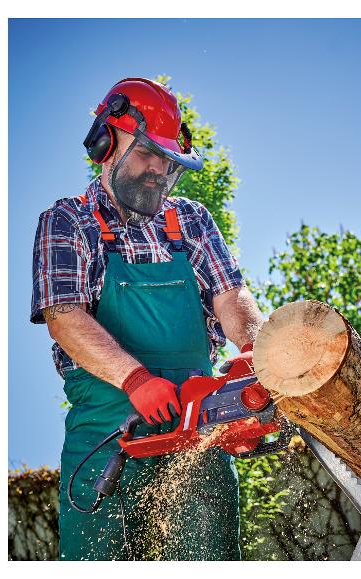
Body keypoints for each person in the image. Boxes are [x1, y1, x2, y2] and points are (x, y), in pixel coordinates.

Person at [30, 77, 263, 561]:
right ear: (106, 143)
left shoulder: (191, 221)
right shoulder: (68, 222)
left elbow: (230, 295)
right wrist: (136, 379)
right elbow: (64, 317)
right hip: (105, 442)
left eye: (168, 159)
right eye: (146, 153)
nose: (158, 169)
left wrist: (254, 358)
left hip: (196, 438)